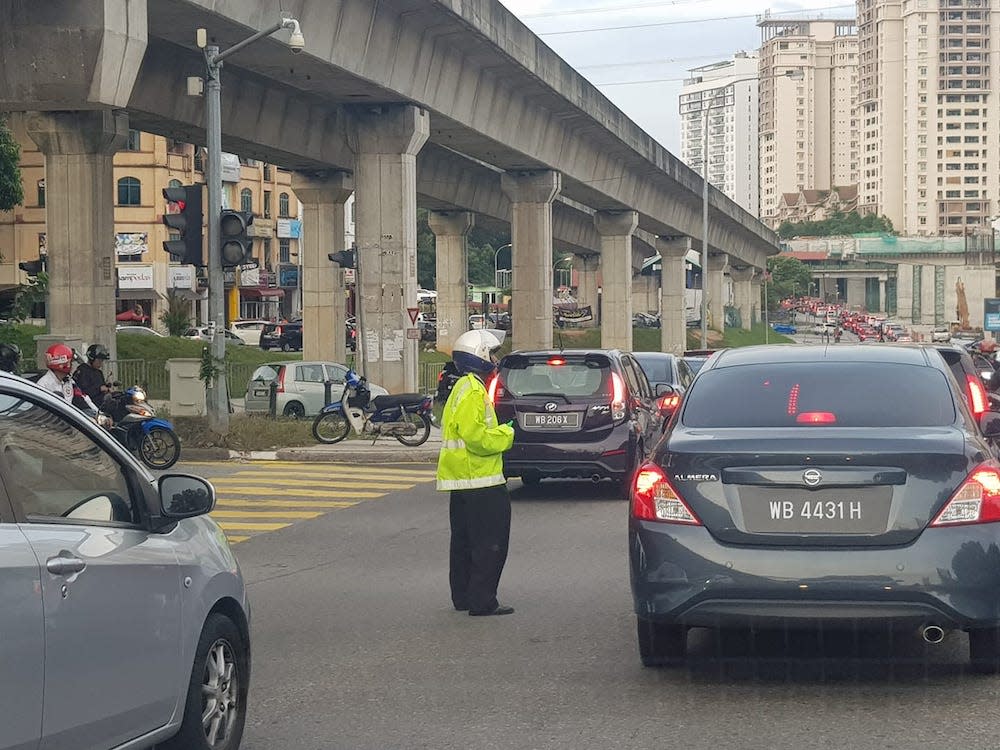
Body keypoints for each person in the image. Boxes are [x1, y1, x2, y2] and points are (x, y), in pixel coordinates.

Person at [436, 329, 516, 617]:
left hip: (462, 479)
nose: (494, 359)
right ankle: (483, 601)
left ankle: (464, 596)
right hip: (481, 478)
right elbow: (477, 438)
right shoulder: (473, 390)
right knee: (490, 542)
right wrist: (506, 435)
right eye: (491, 353)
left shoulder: (460, 387)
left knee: (464, 540)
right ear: (479, 356)